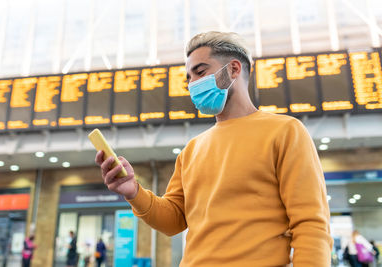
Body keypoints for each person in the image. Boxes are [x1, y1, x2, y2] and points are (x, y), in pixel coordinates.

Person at [95, 31, 333, 266]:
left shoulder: (285, 131)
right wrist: (133, 192)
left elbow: (311, 223)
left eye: (200, 72)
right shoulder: (192, 150)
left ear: (233, 69)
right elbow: (173, 220)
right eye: (189, 77)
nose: (193, 84)